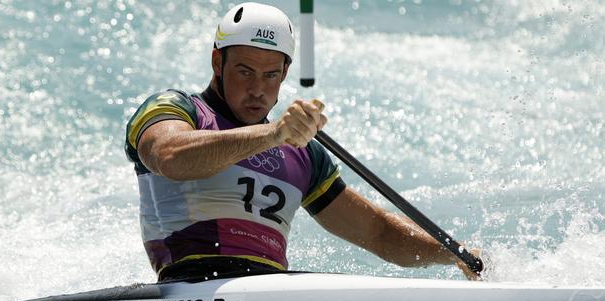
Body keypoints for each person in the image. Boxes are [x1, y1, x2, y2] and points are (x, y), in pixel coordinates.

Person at [124, 2, 481, 282]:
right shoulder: (177, 108)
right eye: (245, 71)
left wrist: (452, 253)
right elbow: (169, 156)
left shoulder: (304, 152)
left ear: (285, 74)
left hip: (269, 294)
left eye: (271, 75)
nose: (258, 90)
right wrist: (273, 134)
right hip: (186, 289)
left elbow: (377, 233)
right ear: (218, 61)